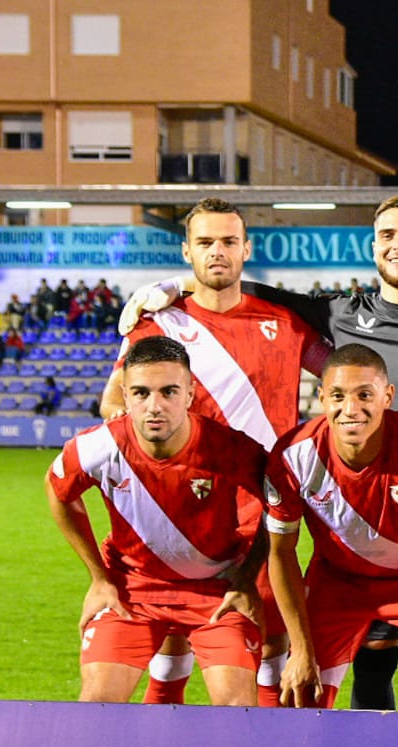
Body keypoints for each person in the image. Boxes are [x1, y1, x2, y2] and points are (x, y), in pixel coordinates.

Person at [103, 197, 331, 706]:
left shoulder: (286, 324)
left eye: (229, 241)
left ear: (246, 249)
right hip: (183, 512)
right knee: (174, 635)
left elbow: (344, 373)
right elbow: (113, 403)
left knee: (271, 645)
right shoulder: (157, 324)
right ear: (186, 250)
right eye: (205, 242)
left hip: (264, 514)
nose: (218, 252)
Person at [46, 336, 269, 706]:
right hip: (131, 589)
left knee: (236, 710)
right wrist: (99, 578)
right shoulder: (98, 447)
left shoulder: (229, 448)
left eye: (168, 391)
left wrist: (248, 578)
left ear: (191, 393)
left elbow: (279, 506)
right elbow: (57, 491)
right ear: (125, 394)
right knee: (95, 707)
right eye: (141, 393)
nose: (155, 406)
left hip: (216, 590)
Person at [266, 345, 398, 711]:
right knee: (299, 701)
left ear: (387, 397)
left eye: (365, 395)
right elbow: (281, 553)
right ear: (322, 397)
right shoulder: (293, 455)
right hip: (337, 582)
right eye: (338, 396)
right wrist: (299, 649)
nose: (351, 409)